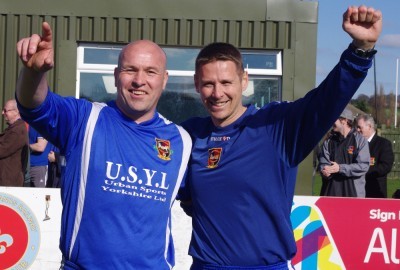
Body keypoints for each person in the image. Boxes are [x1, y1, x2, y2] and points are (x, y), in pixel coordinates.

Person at [178, 5, 382, 269]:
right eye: (208, 84)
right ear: (196, 84)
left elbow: (326, 101)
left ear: (244, 81)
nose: (217, 93)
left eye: (226, 82)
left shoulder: (276, 126)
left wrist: (360, 51)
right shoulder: (188, 135)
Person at [16, 22, 192, 269]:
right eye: (131, 70)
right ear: (116, 74)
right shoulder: (84, 119)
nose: (139, 80)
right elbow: (35, 105)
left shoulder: (181, 141)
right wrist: (34, 72)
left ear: (164, 80)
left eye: (151, 72)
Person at [318, 108, 370, 197]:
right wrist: (324, 170)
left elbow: (364, 166)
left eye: (334, 119)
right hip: (331, 192)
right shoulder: (328, 141)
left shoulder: (360, 141)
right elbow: (323, 163)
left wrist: (340, 168)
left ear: (344, 121)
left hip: (353, 193)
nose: (331, 122)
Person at [356, 114, 394, 198]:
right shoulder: (356, 144)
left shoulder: (383, 144)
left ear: (369, 126)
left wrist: (362, 171)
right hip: (356, 192)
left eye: (360, 127)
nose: (357, 130)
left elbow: (386, 166)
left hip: (374, 192)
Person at [0, 99, 29, 186]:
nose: (2, 113)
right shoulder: (13, 128)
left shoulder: (18, 130)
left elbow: (2, 150)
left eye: (5, 110)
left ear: (16, 112)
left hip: (9, 183)